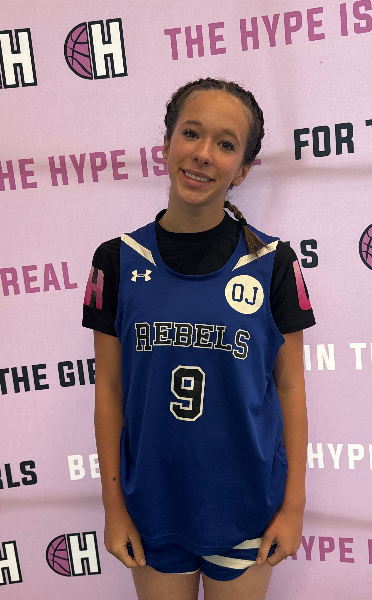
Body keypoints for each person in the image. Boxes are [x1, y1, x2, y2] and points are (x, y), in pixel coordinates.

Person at [82, 77, 315, 600]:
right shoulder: (116, 260)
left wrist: (294, 505)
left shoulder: (272, 262)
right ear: (166, 144)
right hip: (152, 507)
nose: (204, 153)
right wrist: (113, 507)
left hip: (247, 508)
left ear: (244, 168)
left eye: (226, 144)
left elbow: (290, 388)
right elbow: (110, 389)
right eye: (191, 133)